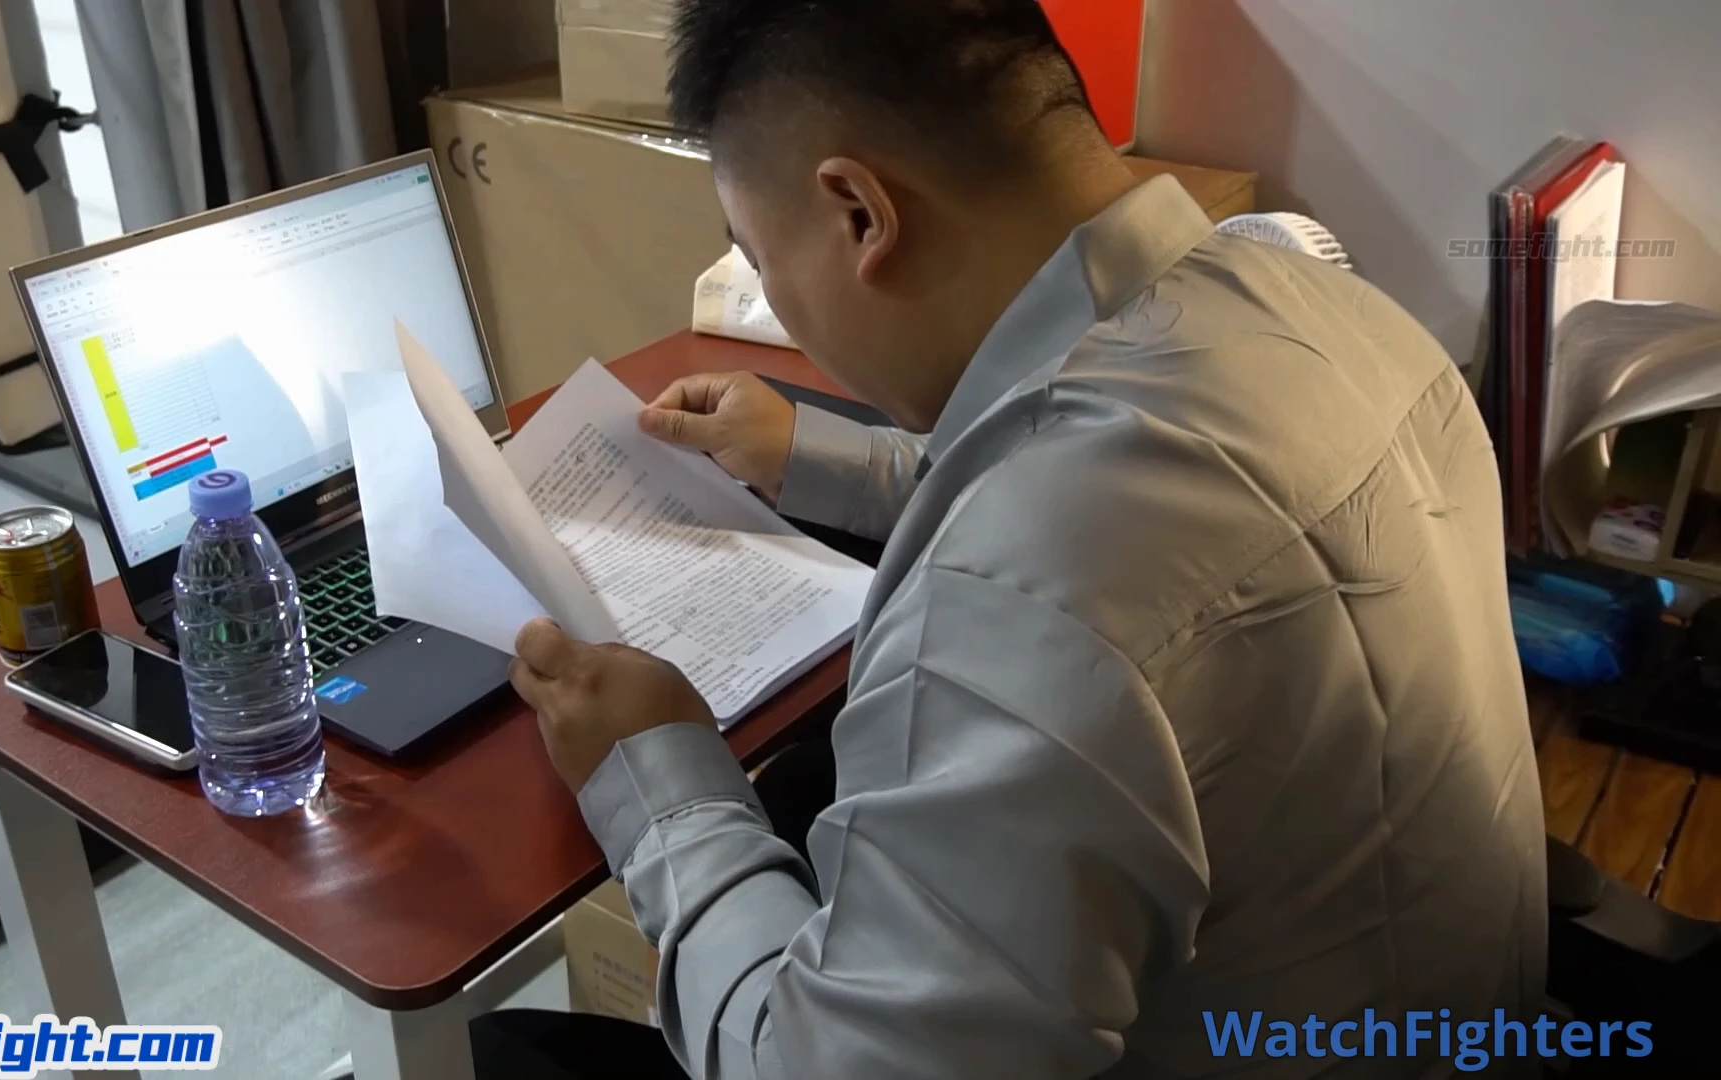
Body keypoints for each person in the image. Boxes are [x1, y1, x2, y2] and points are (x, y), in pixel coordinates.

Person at [498, 0, 1546, 1076]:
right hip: (1437, 1009)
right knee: (812, 782)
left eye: (759, 259)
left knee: (511, 1047)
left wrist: (659, 780)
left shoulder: (1011, 609)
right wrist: (815, 453)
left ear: (860, 214)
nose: (775, 299)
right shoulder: (1339, 314)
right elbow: (1129, 502)